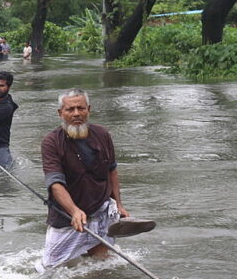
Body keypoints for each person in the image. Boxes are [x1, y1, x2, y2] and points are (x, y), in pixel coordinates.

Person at [39, 88, 154, 269]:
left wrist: (119, 204)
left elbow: (112, 171)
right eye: (70, 109)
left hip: (101, 210)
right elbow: (55, 183)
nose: (76, 113)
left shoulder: (102, 134)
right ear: (60, 113)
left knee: (101, 264)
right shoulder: (51, 142)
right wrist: (74, 211)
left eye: (81, 108)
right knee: (50, 270)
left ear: (89, 110)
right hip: (68, 217)